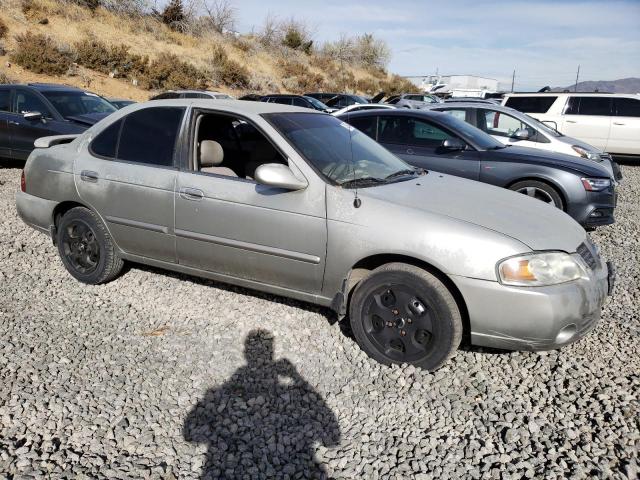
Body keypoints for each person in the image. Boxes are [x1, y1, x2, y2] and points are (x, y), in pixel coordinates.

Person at [183, 329, 341, 479]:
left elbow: (189, 434)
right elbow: (334, 438)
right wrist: (296, 377)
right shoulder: (245, 378)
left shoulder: (238, 377)